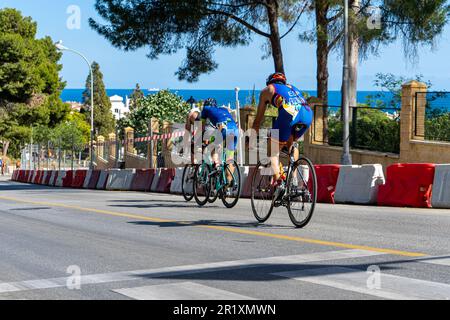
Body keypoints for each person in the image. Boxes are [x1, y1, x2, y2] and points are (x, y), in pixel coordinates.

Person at [252, 72, 313, 187]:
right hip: (307, 114)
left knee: (272, 152)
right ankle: (293, 179)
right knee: (291, 145)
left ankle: (279, 183)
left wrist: (250, 139)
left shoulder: (268, 89)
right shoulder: (292, 87)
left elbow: (257, 121)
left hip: (289, 113)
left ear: (270, 82)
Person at [185, 98, 238, 183]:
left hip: (224, 128)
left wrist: (197, 141)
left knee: (213, 147)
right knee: (229, 159)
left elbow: (201, 129)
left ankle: (216, 166)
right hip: (234, 130)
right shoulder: (222, 109)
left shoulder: (205, 109)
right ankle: (228, 185)